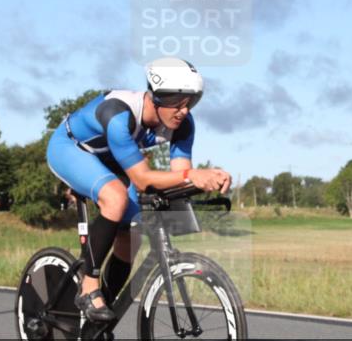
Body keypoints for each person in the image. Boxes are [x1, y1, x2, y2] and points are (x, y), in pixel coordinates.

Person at [46, 57, 232, 323]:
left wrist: (209, 181)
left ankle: (97, 322)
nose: (184, 111)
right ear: (156, 97)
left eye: (190, 103)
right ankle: (88, 286)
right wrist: (193, 176)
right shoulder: (119, 114)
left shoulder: (184, 125)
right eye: (177, 103)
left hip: (110, 159)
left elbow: (180, 178)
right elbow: (143, 180)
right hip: (71, 148)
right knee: (115, 198)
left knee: (131, 236)